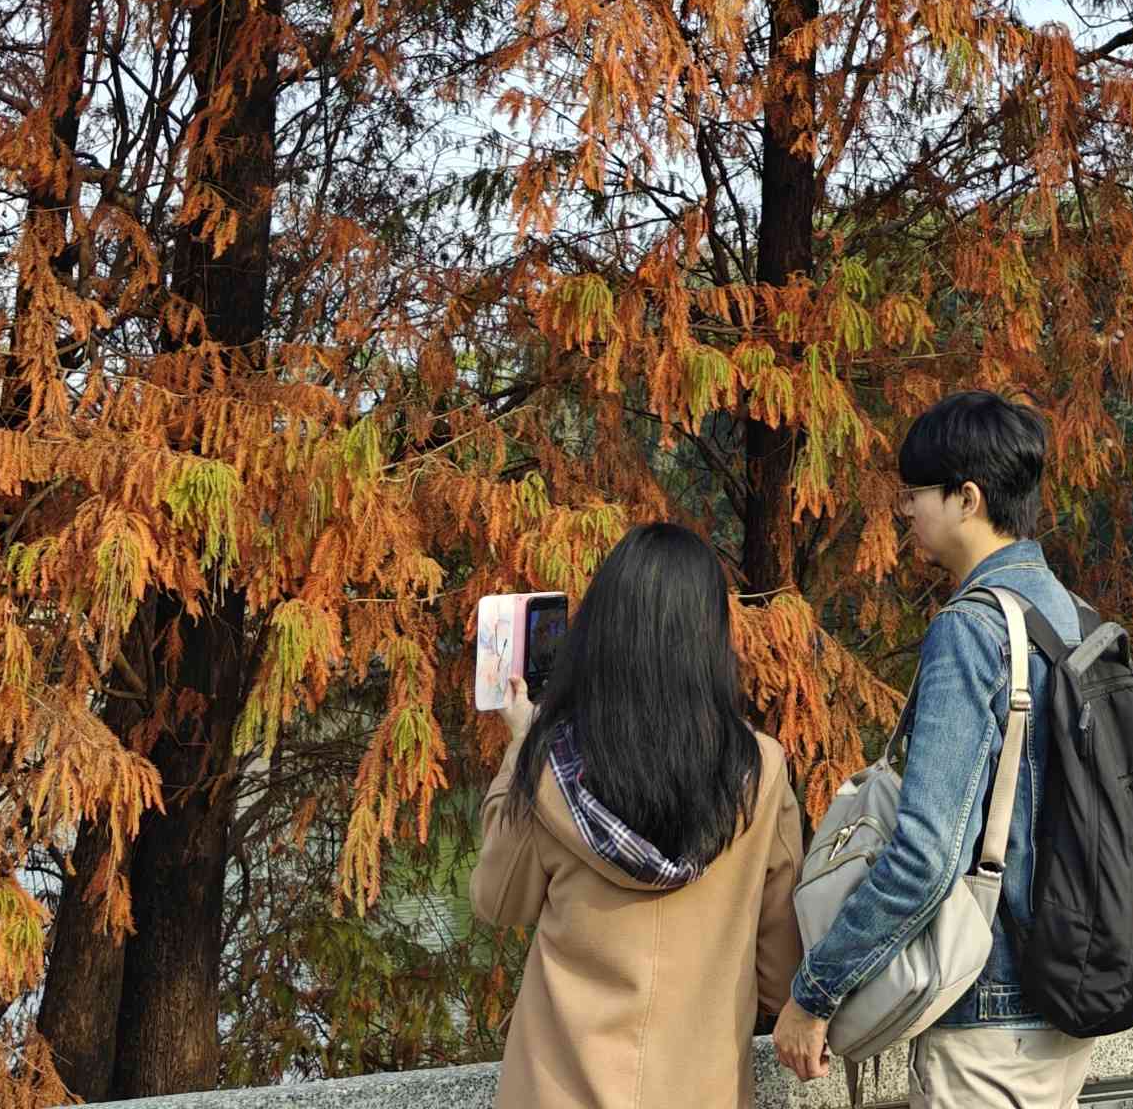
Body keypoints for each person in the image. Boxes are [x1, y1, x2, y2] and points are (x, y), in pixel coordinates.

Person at [777, 391, 1101, 1108]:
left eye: (916, 493)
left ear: (968, 498)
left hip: (988, 1006)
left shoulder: (971, 627)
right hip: (1067, 992)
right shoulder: (1072, 617)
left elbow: (925, 856)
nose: (905, 512)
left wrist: (816, 992)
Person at [470, 520, 806, 1109]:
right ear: (709, 637)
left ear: (603, 632)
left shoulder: (552, 767)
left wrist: (519, 746)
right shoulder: (762, 772)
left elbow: (497, 902)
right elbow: (780, 973)